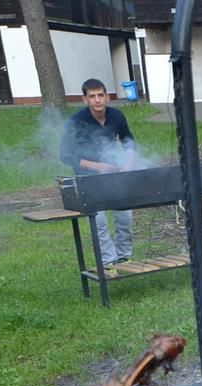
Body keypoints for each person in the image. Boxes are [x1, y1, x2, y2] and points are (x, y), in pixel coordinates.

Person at [60, 78, 135, 270]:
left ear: (107, 97)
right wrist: (97, 167)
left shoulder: (117, 116)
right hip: (88, 179)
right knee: (99, 221)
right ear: (85, 100)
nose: (97, 100)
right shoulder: (76, 121)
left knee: (125, 217)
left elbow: (129, 142)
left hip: (115, 176)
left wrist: (127, 164)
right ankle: (108, 262)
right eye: (92, 96)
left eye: (100, 95)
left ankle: (125, 257)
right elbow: (65, 155)